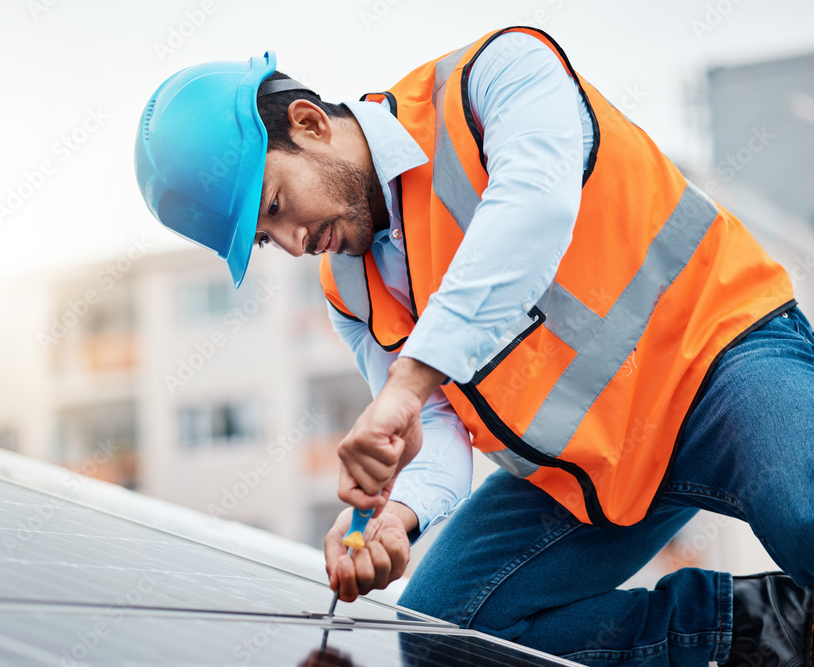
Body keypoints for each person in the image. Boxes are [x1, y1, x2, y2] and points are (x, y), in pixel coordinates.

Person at [134, 26, 814, 666]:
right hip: (596, 469)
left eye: (277, 206)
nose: (291, 243)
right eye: (263, 239)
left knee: (803, 510)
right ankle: (769, 627)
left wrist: (408, 385)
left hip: (720, 358)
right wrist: (398, 516)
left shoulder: (495, 76)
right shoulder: (352, 291)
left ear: (310, 123)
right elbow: (430, 430)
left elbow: (533, 210)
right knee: (445, 633)